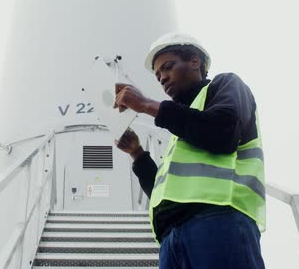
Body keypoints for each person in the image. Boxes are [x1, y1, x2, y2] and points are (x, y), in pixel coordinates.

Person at [114, 32, 266, 268]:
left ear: (195, 62)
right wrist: (138, 154)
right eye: (158, 75)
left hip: (218, 221)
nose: (162, 78)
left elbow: (222, 132)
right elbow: (162, 193)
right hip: (170, 239)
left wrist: (146, 105)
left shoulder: (225, 85)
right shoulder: (180, 129)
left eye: (168, 67)